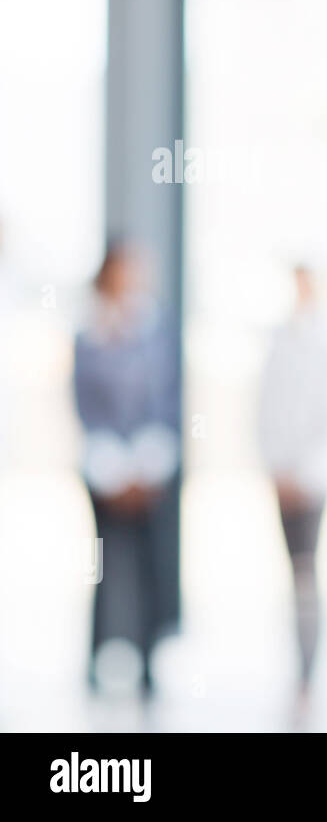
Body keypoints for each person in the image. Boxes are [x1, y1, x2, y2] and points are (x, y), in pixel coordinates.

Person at [74, 241, 181, 697]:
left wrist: (147, 458)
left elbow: (169, 399)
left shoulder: (156, 330)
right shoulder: (90, 334)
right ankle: (99, 653)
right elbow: (84, 405)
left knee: (149, 564)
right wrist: (111, 462)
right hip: (105, 469)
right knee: (102, 561)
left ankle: (149, 657)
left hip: (149, 466)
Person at [256, 263, 327, 717]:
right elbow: (265, 408)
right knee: (293, 575)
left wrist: (303, 473)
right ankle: (298, 664)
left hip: (310, 482)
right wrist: (277, 468)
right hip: (283, 477)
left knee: (307, 575)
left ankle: (309, 669)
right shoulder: (281, 338)